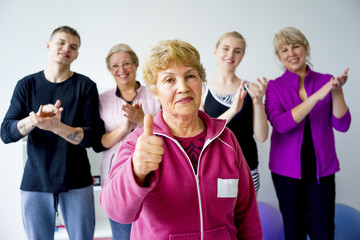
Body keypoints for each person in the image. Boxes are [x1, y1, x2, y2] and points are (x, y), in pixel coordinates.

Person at [99, 39, 262, 239]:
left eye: (190, 76)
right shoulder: (140, 143)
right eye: (169, 80)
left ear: (201, 83)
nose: (183, 87)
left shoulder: (226, 139)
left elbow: (246, 214)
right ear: (156, 92)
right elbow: (117, 212)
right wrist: (136, 171)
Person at [0, 26, 99, 240]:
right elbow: (6, 133)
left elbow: (92, 136)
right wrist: (34, 120)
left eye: (73, 46)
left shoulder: (86, 86)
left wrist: (57, 127)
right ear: (48, 46)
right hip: (36, 180)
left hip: (77, 179)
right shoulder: (26, 85)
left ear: (77, 54)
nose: (66, 48)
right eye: (61, 42)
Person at [264, 27, 351, 240]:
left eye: (296, 46)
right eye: (284, 50)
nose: (291, 53)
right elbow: (281, 124)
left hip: (322, 170)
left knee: (323, 231)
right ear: (279, 57)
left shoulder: (326, 81)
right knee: (294, 231)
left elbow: (343, 125)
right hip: (286, 172)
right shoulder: (275, 87)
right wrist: (315, 98)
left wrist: (337, 92)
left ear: (306, 49)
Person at [92, 43, 160, 239]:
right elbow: (99, 143)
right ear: (109, 70)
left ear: (136, 65)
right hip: (116, 176)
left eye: (127, 63)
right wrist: (126, 127)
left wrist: (142, 120)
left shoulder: (155, 94)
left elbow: (170, 135)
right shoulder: (102, 100)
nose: (121, 70)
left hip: (152, 174)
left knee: (154, 231)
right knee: (122, 233)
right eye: (115, 66)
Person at [200, 31, 268, 195]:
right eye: (226, 48)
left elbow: (262, 136)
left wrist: (258, 103)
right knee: (221, 220)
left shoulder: (251, 89)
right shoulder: (202, 90)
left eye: (237, 51)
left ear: (242, 56)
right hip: (214, 170)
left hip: (247, 168)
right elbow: (204, 133)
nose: (231, 54)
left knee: (246, 221)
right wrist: (233, 110)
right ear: (215, 52)